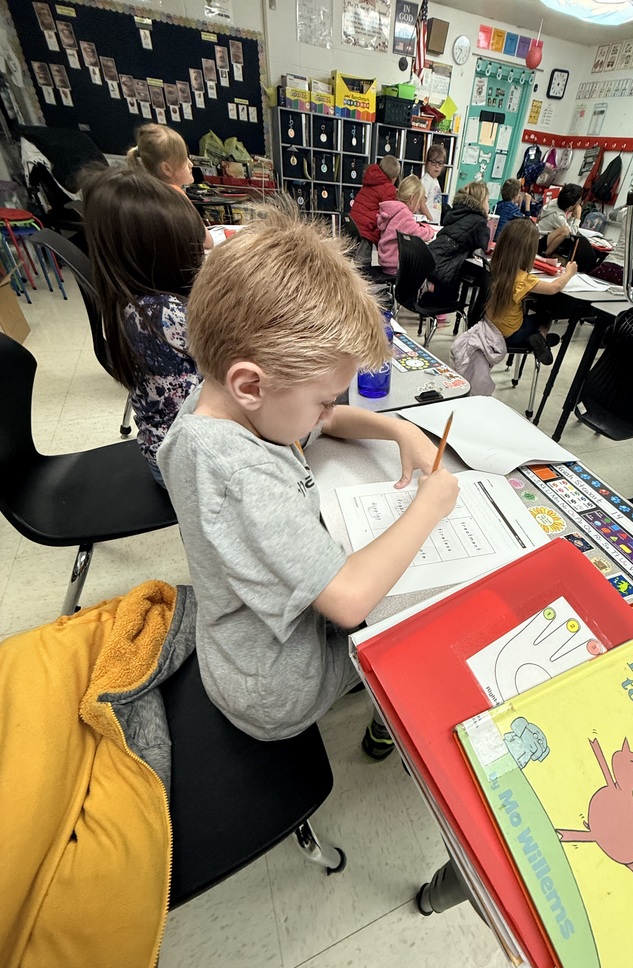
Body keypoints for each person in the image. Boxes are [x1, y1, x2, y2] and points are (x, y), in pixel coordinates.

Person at [156, 207, 459, 753]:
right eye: (323, 399)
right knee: (425, 614)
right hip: (276, 688)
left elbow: (316, 423)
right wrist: (429, 506)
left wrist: (395, 430)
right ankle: (384, 714)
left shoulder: (218, 408)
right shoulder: (241, 475)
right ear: (251, 384)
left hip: (243, 648)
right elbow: (348, 601)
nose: (327, 412)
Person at [83, 165, 206, 485]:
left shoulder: (132, 301)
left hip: (164, 447)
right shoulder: (163, 316)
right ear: (162, 257)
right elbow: (237, 353)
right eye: (191, 250)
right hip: (182, 463)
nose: (199, 259)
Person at [485, 218, 577, 366]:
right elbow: (554, 287)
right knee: (545, 315)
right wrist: (569, 272)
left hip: (489, 328)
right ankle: (542, 336)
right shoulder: (522, 279)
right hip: (511, 334)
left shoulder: (494, 267)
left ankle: (541, 339)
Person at [126, 123, 213, 250]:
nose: (191, 164)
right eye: (184, 159)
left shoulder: (146, 192)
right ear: (167, 169)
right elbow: (207, 242)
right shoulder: (175, 195)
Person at [427, 181, 490, 304]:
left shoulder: (455, 212)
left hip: (432, 259)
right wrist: (486, 222)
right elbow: (483, 246)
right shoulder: (479, 221)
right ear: (481, 201)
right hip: (446, 269)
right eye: (487, 201)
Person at [376, 174, 437, 277]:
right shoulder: (404, 214)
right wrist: (430, 231)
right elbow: (419, 233)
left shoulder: (394, 211)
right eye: (419, 202)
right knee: (428, 269)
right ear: (412, 199)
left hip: (386, 261)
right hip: (395, 265)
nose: (418, 207)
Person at [349, 154, 400, 263]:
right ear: (394, 178)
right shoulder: (389, 188)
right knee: (362, 267)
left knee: (351, 264)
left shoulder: (370, 178)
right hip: (366, 230)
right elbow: (389, 214)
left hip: (353, 225)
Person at [421, 143, 447, 224]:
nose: (437, 166)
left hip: (434, 223)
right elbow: (421, 203)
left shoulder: (435, 180)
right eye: (433, 162)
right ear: (427, 163)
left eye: (440, 163)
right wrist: (430, 219)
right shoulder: (426, 181)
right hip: (427, 222)